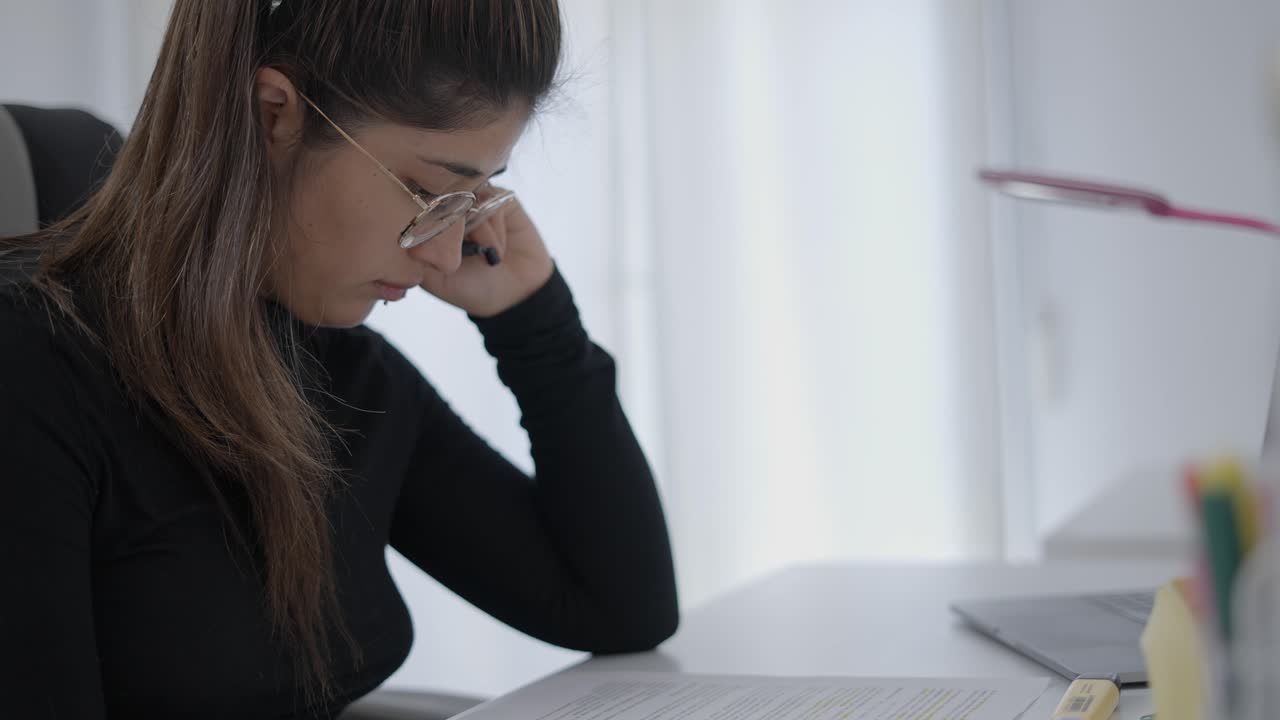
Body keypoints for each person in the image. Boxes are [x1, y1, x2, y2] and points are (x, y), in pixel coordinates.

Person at [0, 1, 678, 717]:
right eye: (427, 192)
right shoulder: (31, 372)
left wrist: (535, 324)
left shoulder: (344, 376)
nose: (447, 252)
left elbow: (619, 608)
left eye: (471, 201)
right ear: (274, 114)